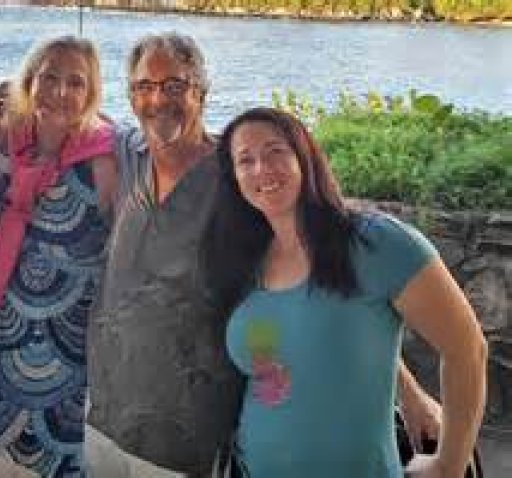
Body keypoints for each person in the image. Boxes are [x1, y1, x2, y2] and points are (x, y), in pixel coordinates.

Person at [86, 33, 443, 476]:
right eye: (144, 87)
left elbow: (326, 278)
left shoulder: (240, 179)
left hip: (189, 435)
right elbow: (59, 107)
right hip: (106, 416)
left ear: (201, 91)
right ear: (130, 96)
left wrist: (408, 392)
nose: (159, 99)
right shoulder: (128, 155)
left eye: (175, 85)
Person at [216, 107, 487, 476]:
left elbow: (468, 349)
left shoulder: (377, 243)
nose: (261, 168)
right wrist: (408, 391)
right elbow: (312, 343)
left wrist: (449, 465)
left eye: (275, 151)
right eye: (245, 160)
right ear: (234, 178)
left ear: (304, 157)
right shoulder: (246, 259)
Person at [0, 37, 116, 477]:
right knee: (3, 455)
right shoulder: (5, 142)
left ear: (91, 92)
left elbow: (124, 245)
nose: (60, 91)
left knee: (66, 455)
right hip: (2, 332)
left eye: (76, 82)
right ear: (28, 82)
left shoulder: (105, 156)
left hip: (71, 340)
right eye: (49, 77)